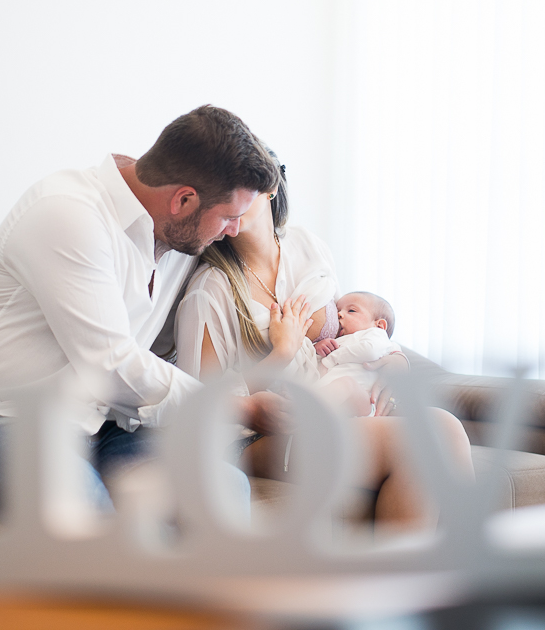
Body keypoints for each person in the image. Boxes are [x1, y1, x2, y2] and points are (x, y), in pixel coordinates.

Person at [0, 106, 293, 518]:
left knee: (221, 491)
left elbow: (279, 255)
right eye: (230, 218)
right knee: (84, 504)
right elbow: (111, 366)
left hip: (97, 431)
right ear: (183, 199)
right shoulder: (67, 212)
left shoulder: (178, 230)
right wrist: (243, 406)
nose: (234, 231)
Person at [174, 156, 474, 531]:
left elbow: (353, 329)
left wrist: (392, 359)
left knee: (439, 432)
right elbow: (199, 403)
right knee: (435, 435)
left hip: (328, 408)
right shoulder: (211, 289)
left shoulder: (307, 248)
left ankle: (410, 583)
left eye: (228, 186)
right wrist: (280, 353)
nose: (219, 200)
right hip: (251, 439)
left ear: (267, 187)